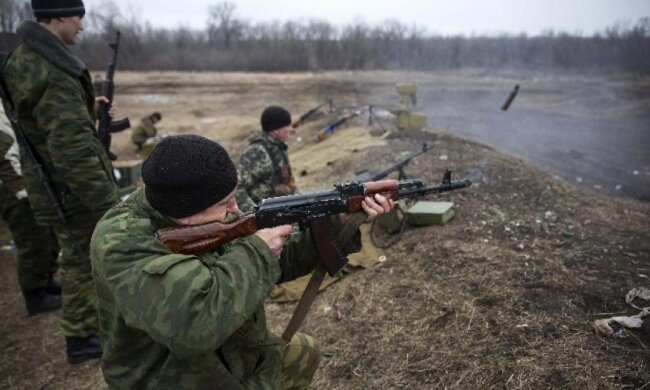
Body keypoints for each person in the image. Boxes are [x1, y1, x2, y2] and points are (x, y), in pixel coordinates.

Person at [90, 134, 394, 389]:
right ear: (185, 210)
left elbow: (278, 263)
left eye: (233, 196)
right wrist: (258, 250)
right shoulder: (121, 242)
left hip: (237, 357)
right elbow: (196, 324)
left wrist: (340, 223)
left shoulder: (209, 216)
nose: (236, 208)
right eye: (225, 203)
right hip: (172, 378)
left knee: (305, 351)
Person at [1, 0, 120, 364]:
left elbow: (39, 121)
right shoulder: (53, 72)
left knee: (75, 255)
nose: (81, 27)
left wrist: (83, 105)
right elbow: (71, 150)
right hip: (71, 189)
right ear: (62, 17)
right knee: (83, 259)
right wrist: (107, 205)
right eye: (79, 18)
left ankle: (84, 328)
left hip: (52, 182)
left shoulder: (24, 58)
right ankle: (83, 336)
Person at [0, 93, 61, 316]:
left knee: (46, 236)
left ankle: (45, 281)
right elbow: (6, 158)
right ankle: (34, 294)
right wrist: (24, 192)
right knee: (32, 240)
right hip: (13, 187)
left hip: (23, 181)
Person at [236, 105, 298, 212]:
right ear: (275, 130)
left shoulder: (279, 147)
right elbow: (236, 187)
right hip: (266, 215)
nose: (291, 129)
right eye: (287, 126)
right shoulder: (257, 152)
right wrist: (255, 214)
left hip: (282, 208)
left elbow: (287, 183)